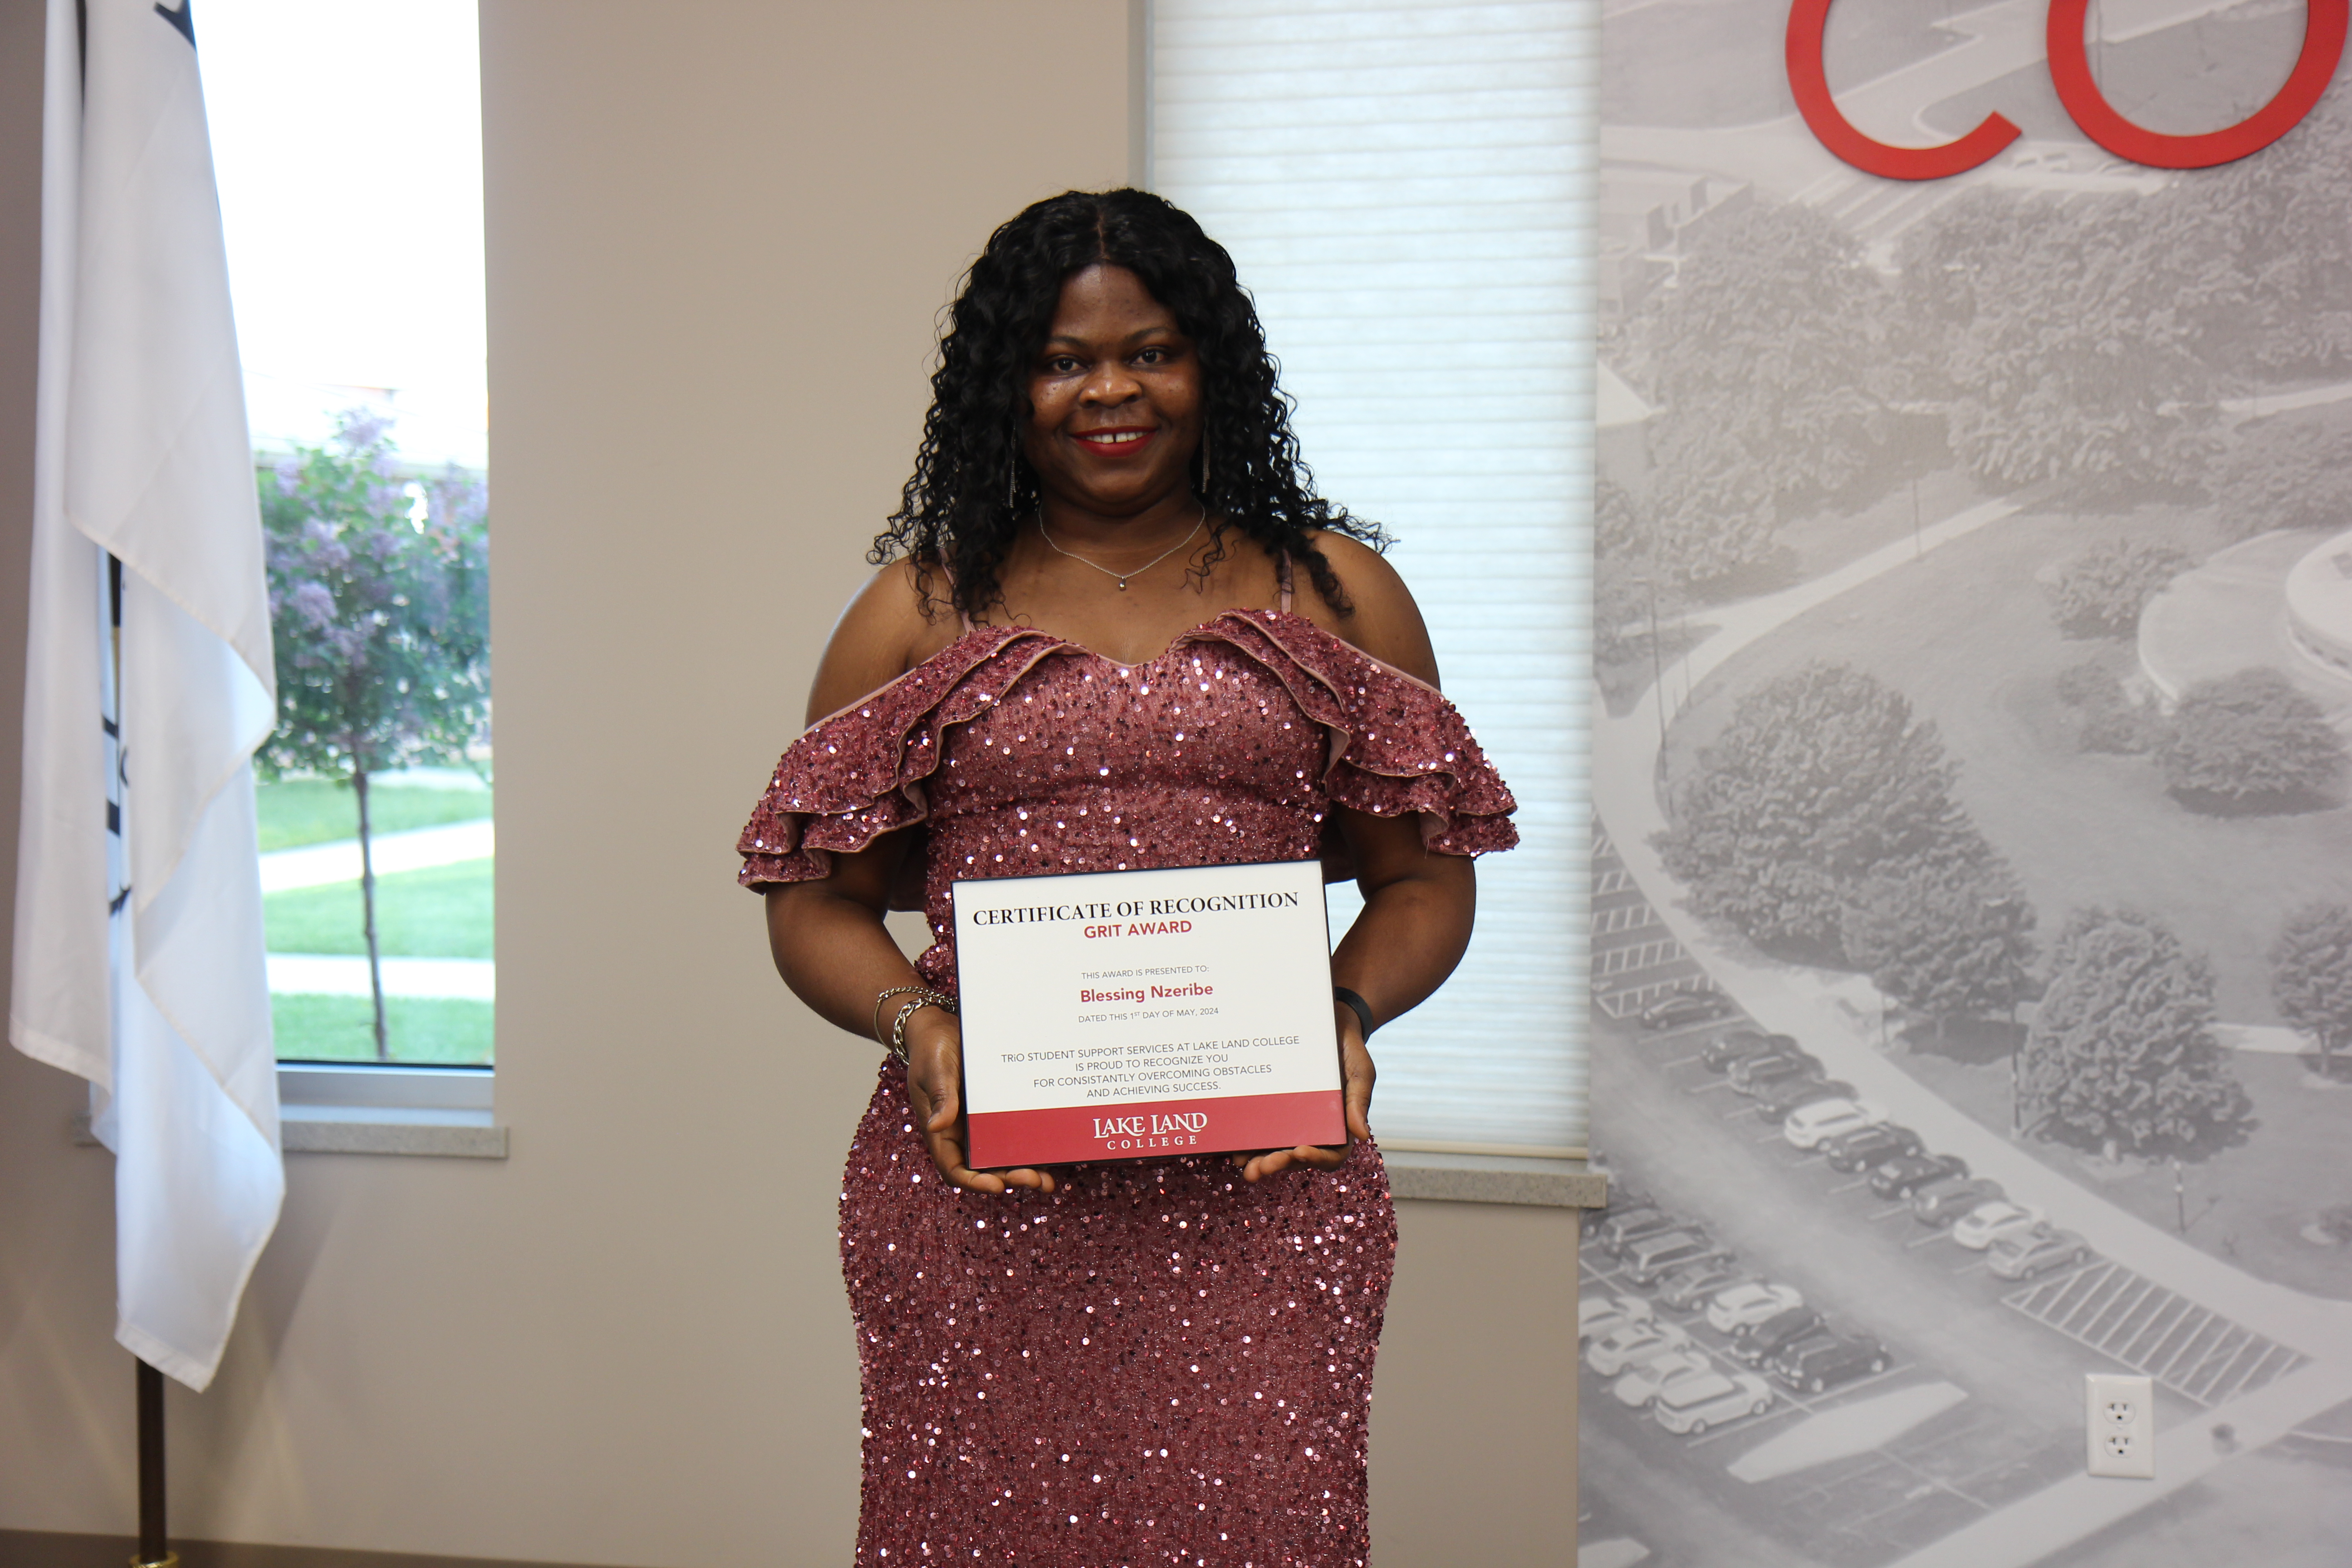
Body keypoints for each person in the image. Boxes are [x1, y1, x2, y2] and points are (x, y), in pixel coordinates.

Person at [739, 188, 1516, 1567]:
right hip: (984, 1197)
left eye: (1150, 349)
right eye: (1061, 359)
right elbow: (818, 901)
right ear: (1008, 386)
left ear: (1212, 361)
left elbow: (1422, 882)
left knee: (1267, 1528)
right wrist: (920, 1034)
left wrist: (1338, 1020)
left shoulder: (1334, 593)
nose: (1110, 389)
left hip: (1268, 1194)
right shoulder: (920, 610)